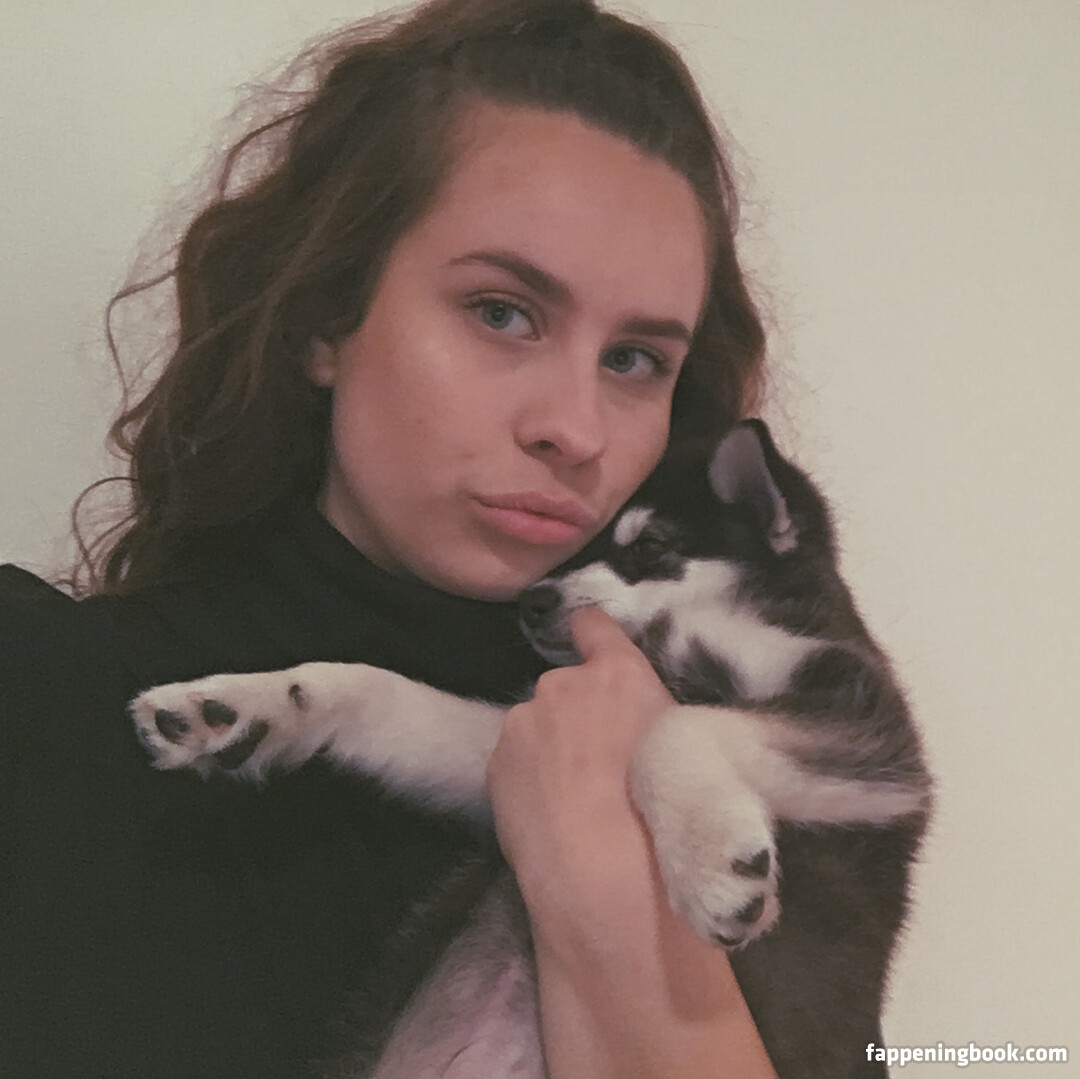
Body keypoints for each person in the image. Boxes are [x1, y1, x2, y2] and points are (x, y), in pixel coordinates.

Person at [0, 0, 885, 1075]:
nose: (575, 428)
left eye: (635, 360)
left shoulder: (739, 795)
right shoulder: (33, 694)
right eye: (502, 311)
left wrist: (610, 894)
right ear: (327, 316)